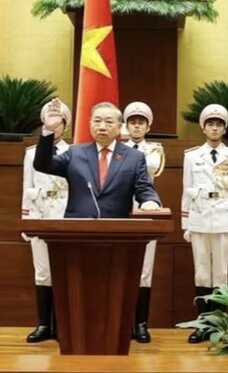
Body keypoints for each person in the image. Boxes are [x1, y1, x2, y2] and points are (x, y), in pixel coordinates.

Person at [180, 104, 228, 343]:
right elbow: (186, 190)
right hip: (199, 215)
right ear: (203, 127)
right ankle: (202, 325)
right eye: (210, 124)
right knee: (201, 273)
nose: (214, 128)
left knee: (220, 273)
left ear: (224, 128)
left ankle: (219, 325)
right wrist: (185, 222)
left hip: (224, 216)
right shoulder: (191, 156)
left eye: (219, 124)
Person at [33, 100, 161, 217]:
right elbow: (43, 165)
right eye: (97, 121)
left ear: (119, 127)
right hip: (78, 230)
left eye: (109, 122)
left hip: (117, 231)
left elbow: (144, 188)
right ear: (90, 124)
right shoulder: (75, 153)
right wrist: (48, 130)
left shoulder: (134, 157)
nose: (102, 127)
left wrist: (150, 200)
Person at [21, 100, 71, 344]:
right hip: (40, 214)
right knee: (42, 272)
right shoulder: (31, 153)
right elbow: (27, 187)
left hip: (64, 215)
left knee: (63, 271)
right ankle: (43, 324)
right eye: (50, 121)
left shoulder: (74, 152)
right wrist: (26, 220)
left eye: (59, 122)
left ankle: (62, 324)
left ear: (65, 125)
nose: (54, 126)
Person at [122, 101, 166, 344]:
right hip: (120, 210)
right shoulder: (116, 148)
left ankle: (140, 324)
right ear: (126, 125)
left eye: (141, 122)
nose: (137, 126)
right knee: (122, 268)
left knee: (144, 271)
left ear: (148, 126)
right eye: (132, 122)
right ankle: (122, 321)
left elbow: (152, 172)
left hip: (145, 209)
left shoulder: (154, 150)